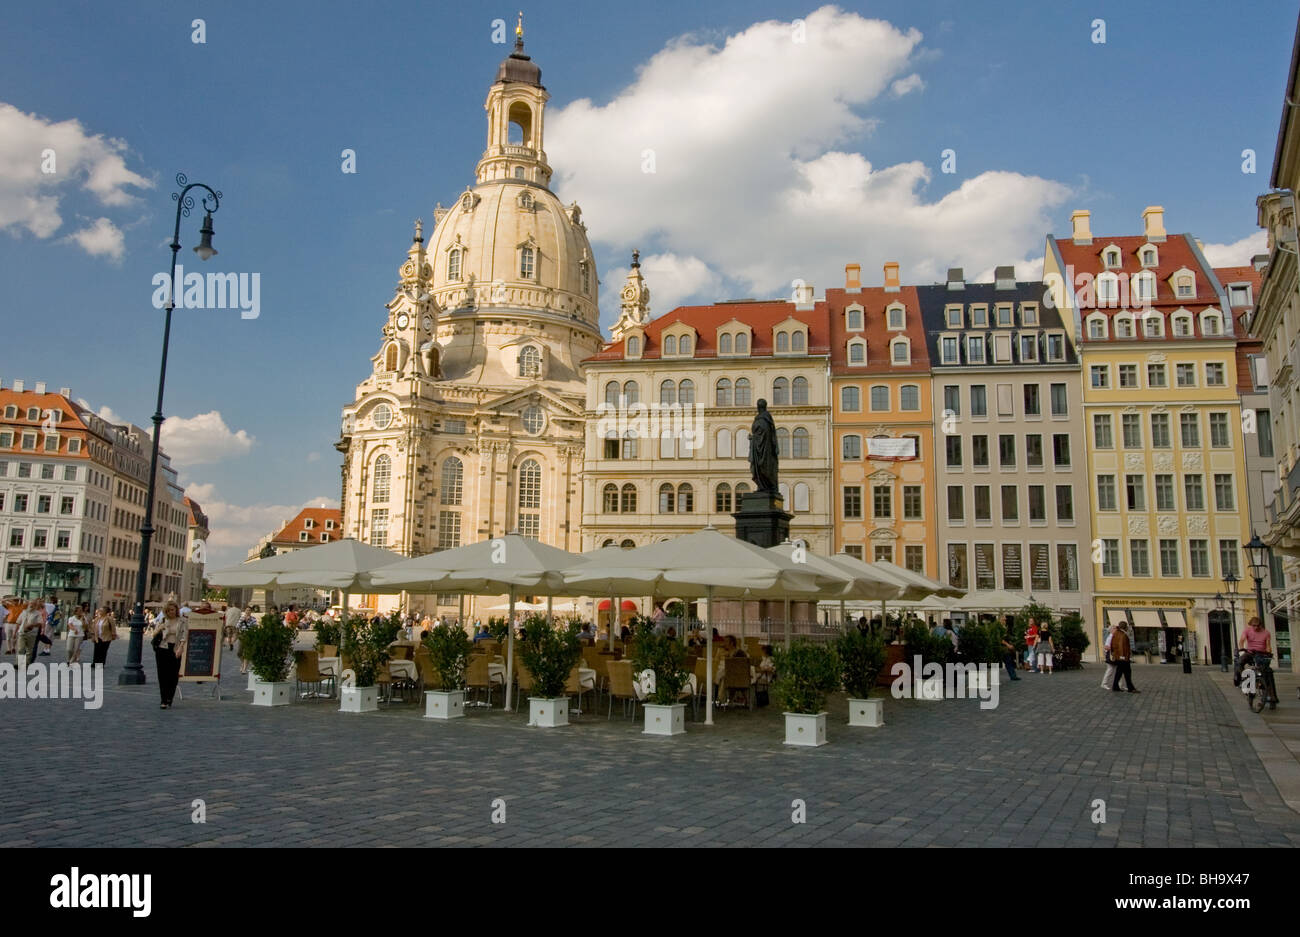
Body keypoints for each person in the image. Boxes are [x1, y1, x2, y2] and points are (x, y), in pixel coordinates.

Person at [149, 602, 187, 709]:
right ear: (166, 611)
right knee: (162, 675)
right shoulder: (163, 620)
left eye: (173, 609)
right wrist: (160, 628)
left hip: (175, 649)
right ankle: (163, 700)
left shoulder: (182, 621)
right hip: (162, 648)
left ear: (176, 610)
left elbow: (184, 635)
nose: (171, 612)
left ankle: (170, 696)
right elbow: (154, 634)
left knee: (173, 674)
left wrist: (181, 647)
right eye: (169, 610)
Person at [1236, 616, 1273, 687]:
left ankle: (1262, 682)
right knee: (1240, 662)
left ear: (1260, 625)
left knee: (1265, 668)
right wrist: (1242, 649)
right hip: (1250, 652)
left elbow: (1268, 645)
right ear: (1251, 625)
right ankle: (1244, 678)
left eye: (1258, 625)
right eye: (1254, 626)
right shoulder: (1247, 631)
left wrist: (1269, 653)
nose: (1256, 627)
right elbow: (1241, 641)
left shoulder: (1266, 633)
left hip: (1261, 653)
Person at [1111, 621, 1139, 693]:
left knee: (1119, 672)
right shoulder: (1123, 635)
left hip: (1118, 656)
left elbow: (1113, 645)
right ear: (1124, 627)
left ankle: (1115, 686)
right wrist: (1124, 657)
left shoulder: (1116, 633)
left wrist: (1114, 654)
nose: (1127, 628)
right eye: (1126, 626)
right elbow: (1121, 647)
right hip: (1123, 657)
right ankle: (1130, 688)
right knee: (1127, 672)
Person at [16, 599, 45, 665]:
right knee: (21, 649)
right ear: (28, 604)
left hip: (32, 634)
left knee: (29, 650)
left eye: (33, 604)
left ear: (35, 605)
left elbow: (40, 623)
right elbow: (18, 622)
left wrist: (32, 625)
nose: (31, 605)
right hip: (22, 633)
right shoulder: (24, 612)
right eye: (30, 603)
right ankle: (19, 664)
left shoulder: (38, 613)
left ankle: (26, 663)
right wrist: (16, 632)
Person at [1101, 622, 1117, 690]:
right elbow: (1106, 647)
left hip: (1113, 655)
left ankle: (1120, 685)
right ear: (1112, 630)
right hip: (1110, 655)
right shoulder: (1110, 637)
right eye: (1115, 628)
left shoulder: (1113, 636)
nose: (1116, 629)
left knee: (1118, 670)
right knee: (1110, 670)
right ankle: (1104, 684)